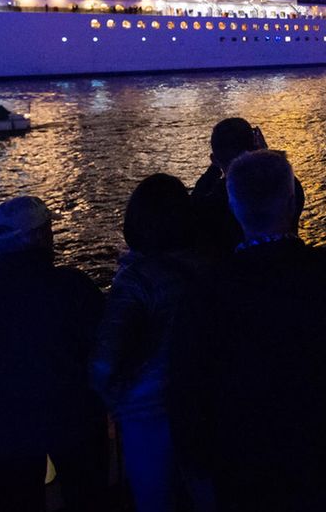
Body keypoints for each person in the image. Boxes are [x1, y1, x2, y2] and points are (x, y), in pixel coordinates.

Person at [170, 150, 326, 511]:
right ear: (293, 203)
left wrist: (197, 472)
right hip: (321, 459)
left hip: (240, 466)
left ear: (233, 206)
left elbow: (186, 391)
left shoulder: (206, 293)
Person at [0, 197, 108, 512]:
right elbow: (105, 349)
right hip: (77, 422)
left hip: (6, 432)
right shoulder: (74, 288)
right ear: (42, 237)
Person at [90, 175, 212, 512]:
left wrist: (120, 402)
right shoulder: (210, 267)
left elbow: (104, 363)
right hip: (204, 405)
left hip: (148, 416)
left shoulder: (136, 280)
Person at [192, 117, 305, 257]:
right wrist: (265, 154)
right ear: (255, 147)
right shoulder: (285, 185)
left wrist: (214, 167)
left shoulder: (211, 202)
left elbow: (194, 203)